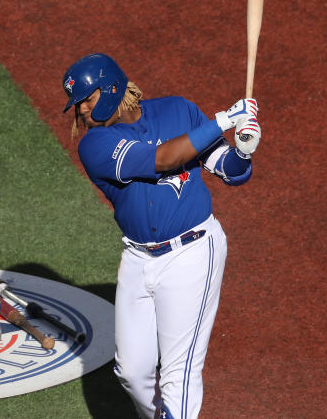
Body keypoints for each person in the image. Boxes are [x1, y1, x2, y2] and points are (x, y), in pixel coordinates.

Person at [61, 53, 261, 419]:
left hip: (193, 253)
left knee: (179, 373)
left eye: (86, 101)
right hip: (138, 259)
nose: (83, 112)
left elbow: (230, 172)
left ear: (109, 89)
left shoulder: (178, 111)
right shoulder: (95, 145)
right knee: (132, 373)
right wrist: (224, 120)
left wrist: (244, 150)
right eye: (78, 106)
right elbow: (164, 159)